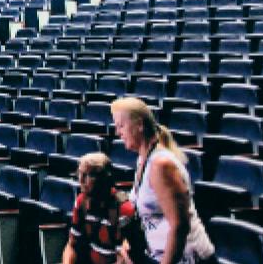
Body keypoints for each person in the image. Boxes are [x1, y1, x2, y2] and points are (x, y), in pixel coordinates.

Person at [110, 97, 216, 264]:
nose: (118, 132)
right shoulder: (143, 159)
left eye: (121, 126)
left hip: (188, 258)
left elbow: (179, 226)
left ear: (139, 125)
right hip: (159, 255)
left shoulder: (161, 165)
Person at [67, 150, 148, 264]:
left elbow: (128, 258)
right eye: (80, 173)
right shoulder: (81, 202)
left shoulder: (124, 209)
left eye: (88, 175)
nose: (81, 180)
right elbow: (72, 245)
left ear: (104, 178)